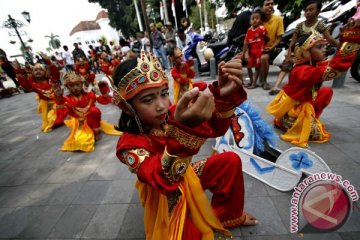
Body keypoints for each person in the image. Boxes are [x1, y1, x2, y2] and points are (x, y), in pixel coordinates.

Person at [112, 50, 258, 239]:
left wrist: (221, 93)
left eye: (164, 94)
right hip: (164, 197)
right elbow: (164, 180)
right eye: (148, 100)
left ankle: (227, 216)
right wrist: (182, 129)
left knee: (230, 161)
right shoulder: (127, 146)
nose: (161, 106)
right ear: (127, 107)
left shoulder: (169, 114)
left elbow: (215, 128)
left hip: (186, 175)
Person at [266, 28, 359, 148]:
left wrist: (346, 40)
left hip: (303, 102)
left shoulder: (310, 65)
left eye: (323, 46)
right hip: (294, 109)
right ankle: (287, 121)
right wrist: (352, 42)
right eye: (319, 47)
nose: (324, 50)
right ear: (306, 53)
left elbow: (334, 63)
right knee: (317, 134)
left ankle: (308, 117)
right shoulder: (304, 71)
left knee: (326, 91)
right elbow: (334, 69)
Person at [269, 0, 339, 95]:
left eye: (311, 10)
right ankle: (278, 87)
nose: (308, 12)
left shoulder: (320, 25)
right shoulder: (299, 26)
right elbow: (293, 42)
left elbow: (329, 38)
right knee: (290, 70)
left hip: (314, 56)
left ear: (318, 12)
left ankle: (312, 95)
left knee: (315, 76)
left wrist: (339, 46)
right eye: (306, 10)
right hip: (299, 54)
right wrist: (289, 55)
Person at [52, 71, 121, 152]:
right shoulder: (67, 98)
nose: (75, 88)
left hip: (92, 120)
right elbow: (60, 103)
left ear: (82, 84)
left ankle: (96, 130)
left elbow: (104, 101)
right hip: (79, 122)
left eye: (77, 84)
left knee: (94, 110)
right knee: (81, 142)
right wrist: (58, 95)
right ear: (67, 87)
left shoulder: (90, 95)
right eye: (71, 85)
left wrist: (103, 91)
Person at [14, 52, 68, 132]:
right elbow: (26, 85)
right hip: (47, 105)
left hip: (59, 102)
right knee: (52, 121)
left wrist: (48, 61)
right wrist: (18, 71)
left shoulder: (51, 80)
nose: (38, 71)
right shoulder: (33, 84)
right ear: (33, 73)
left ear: (45, 72)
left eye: (40, 70)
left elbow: (56, 73)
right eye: (35, 70)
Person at [260, 0, 284, 90]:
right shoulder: (258, 19)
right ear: (262, 7)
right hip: (257, 47)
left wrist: (271, 47)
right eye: (267, 4)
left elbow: (279, 38)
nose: (270, 6)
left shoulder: (278, 19)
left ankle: (264, 81)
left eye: (272, 4)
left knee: (264, 58)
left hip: (271, 48)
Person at [243, 8, 268, 89]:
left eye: (257, 18)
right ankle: (251, 80)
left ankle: (254, 83)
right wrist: (244, 53)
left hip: (259, 51)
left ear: (260, 20)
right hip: (252, 52)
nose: (255, 20)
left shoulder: (262, 29)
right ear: (250, 20)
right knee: (248, 67)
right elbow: (246, 42)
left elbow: (267, 38)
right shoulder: (249, 30)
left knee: (257, 68)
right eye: (253, 18)